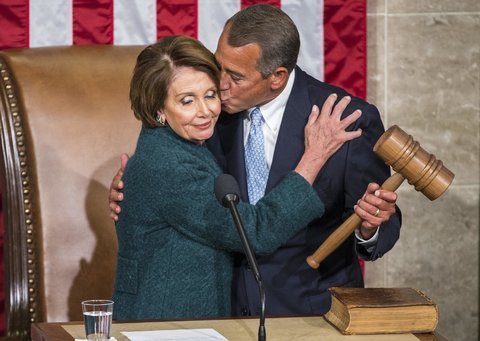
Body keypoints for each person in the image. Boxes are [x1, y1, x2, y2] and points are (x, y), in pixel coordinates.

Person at [110, 5, 401, 317]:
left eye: (235, 76)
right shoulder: (207, 114)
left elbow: (381, 219)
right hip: (223, 315)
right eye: (217, 66)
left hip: (311, 314)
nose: (218, 85)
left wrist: (369, 228)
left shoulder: (346, 122)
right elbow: (172, 169)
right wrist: (133, 190)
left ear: (276, 77)